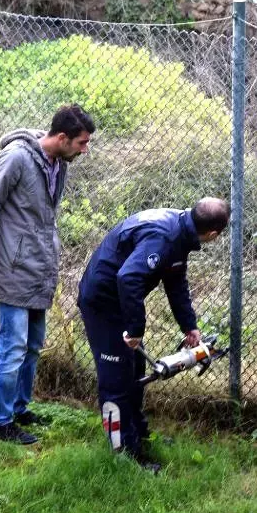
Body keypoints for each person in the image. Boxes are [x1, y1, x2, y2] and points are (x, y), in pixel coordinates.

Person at [77, 197, 231, 470]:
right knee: (116, 380)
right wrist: (135, 329)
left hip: (119, 300)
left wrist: (189, 326)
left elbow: (175, 280)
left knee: (134, 371)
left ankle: (137, 435)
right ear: (213, 234)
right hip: (102, 302)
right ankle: (123, 453)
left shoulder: (180, 231)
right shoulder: (166, 237)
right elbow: (128, 277)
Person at [0, 104, 95, 444]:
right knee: (12, 346)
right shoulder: (16, 158)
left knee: (32, 345)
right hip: (11, 268)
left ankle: (18, 408)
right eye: (82, 143)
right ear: (61, 137)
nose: (85, 150)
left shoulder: (58, 163)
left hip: (40, 268)